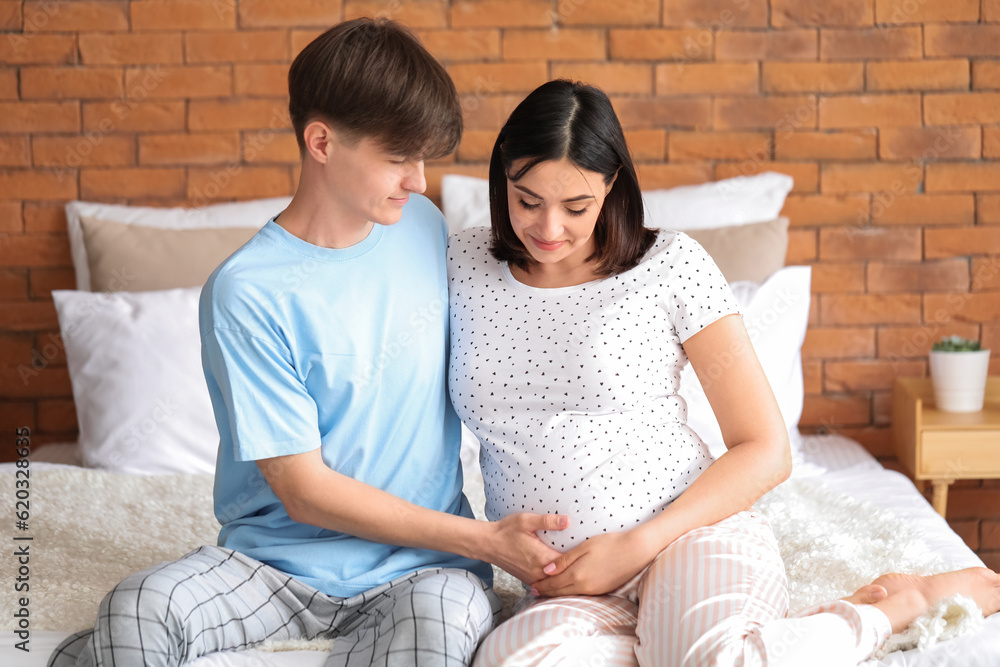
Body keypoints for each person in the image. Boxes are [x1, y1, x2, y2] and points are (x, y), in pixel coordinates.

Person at [48, 19, 568, 667]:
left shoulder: (427, 229)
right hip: (274, 565)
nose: (418, 179)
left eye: (424, 158)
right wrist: (485, 539)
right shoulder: (247, 290)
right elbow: (304, 491)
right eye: (398, 157)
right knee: (137, 605)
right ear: (321, 141)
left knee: (434, 638)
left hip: (424, 570)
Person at [446, 79, 1000, 666]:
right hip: (568, 582)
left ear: (612, 187)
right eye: (527, 199)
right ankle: (689, 641)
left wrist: (638, 544)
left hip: (685, 535)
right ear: (500, 176)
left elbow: (765, 447)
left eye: (576, 206)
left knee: (715, 663)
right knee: (509, 662)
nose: (549, 227)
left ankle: (890, 608)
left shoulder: (672, 265)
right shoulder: (460, 262)